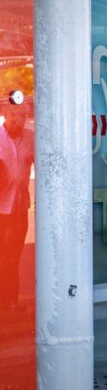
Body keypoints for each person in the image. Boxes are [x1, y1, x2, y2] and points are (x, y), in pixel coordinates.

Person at [0, 102, 34, 308]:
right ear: (4, 113)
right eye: (12, 114)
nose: (16, 119)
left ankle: (10, 301)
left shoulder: (31, 138)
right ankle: (5, 302)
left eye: (20, 115)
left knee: (13, 257)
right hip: (0, 210)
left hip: (20, 208)